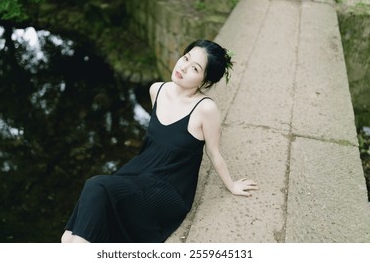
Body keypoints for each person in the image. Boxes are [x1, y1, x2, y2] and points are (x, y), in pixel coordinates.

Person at [61, 39, 259, 243]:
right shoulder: (157, 90)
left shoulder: (205, 109)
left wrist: (232, 185)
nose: (183, 66)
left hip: (168, 189)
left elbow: (214, 152)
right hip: (140, 170)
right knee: (68, 236)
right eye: (186, 58)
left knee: (96, 187)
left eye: (195, 68)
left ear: (204, 81)